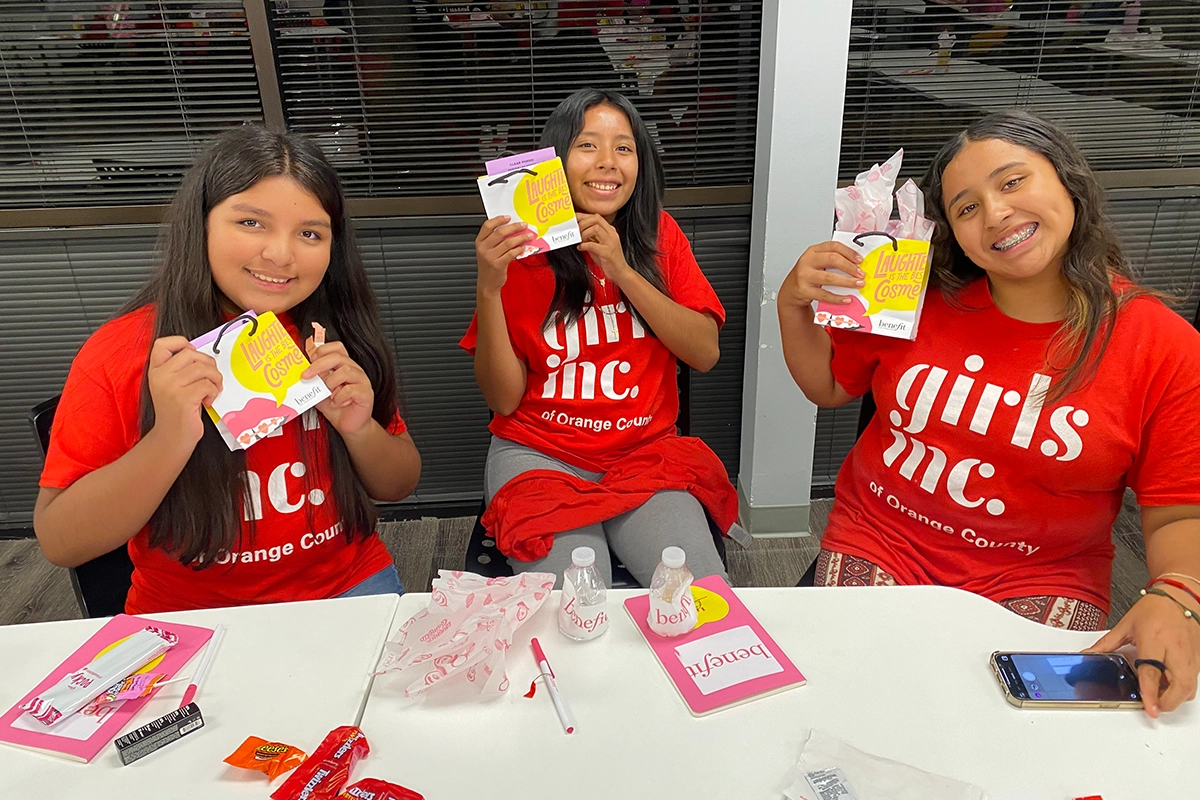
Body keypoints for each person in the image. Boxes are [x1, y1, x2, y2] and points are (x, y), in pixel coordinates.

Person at [778, 110, 1200, 716]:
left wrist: (1178, 595)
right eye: (966, 207)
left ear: (1068, 183)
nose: (996, 213)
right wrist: (791, 306)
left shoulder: (1161, 345)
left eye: (1012, 182)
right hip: (879, 540)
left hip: (1040, 578)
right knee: (830, 708)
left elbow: (1179, 512)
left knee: (988, 734)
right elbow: (827, 385)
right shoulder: (916, 297)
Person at [34, 126, 422, 614]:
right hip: (191, 610)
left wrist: (359, 429)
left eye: (309, 233)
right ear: (202, 225)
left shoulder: (334, 333)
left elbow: (398, 483)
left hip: (348, 585)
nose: (280, 254)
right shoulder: (126, 351)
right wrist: (171, 434)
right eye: (251, 223)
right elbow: (60, 542)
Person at [461, 87, 746, 588]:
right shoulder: (519, 248)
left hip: (644, 453)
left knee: (699, 600)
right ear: (555, 160)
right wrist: (489, 288)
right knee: (577, 604)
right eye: (588, 145)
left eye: (624, 147)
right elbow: (503, 401)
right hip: (539, 455)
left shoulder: (660, 236)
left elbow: (704, 352)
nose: (608, 163)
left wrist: (621, 268)